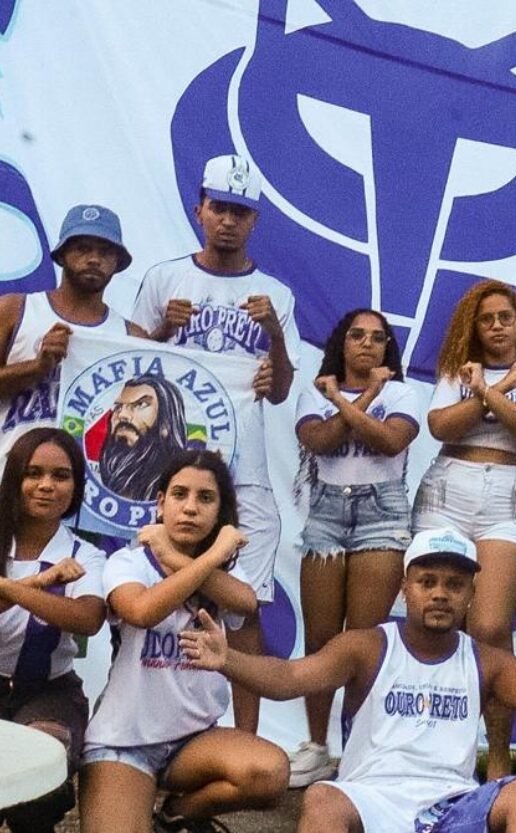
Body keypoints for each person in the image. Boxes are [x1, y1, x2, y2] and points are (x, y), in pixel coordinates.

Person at [177, 527, 516, 833]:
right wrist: (229, 660)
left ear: (471, 595)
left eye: (454, 584)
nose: (439, 593)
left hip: (453, 805)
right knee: (321, 799)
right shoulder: (367, 646)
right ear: (404, 588)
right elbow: (291, 677)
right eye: (427, 581)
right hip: (372, 798)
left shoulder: (484, 659)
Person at [130, 154, 300, 732]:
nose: (228, 220)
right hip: (169, 466)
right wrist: (163, 331)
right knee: (149, 589)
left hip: (243, 467)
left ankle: (246, 736)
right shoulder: (165, 279)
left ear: (255, 220)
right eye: (219, 208)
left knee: (244, 606)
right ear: (199, 209)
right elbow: (129, 377)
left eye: (240, 212)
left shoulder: (275, 294)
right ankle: (142, 723)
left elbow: (280, 391)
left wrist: (274, 336)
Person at [78, 451, 288, 833]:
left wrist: (174, 556)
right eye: (179, 494)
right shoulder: (129, 562)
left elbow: (246, 602)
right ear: (160, 503)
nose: (190, 508)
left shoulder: (230, 574)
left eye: (205, 498)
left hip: (194, 741)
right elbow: (141, 611)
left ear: (220, 512)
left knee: (269, 773)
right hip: (123, 743)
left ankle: (178, 814)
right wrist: (210, 556)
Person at [413, 280, 516, 779]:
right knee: (438, 620)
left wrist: (492, 391)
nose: (496, 326)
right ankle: (439, 751)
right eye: (486, 319)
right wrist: (490, 390)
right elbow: (441, 426)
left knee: (492, 627)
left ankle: (498, 754)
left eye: (505, 318)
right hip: (448, 490)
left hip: (507, 496)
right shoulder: (458, 372)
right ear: (473, 327)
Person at [288, 308, 420, 788]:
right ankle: (316, 746)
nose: (366, 344)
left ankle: (356, 748)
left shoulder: (402, 393)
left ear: (388, 348)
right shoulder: (315, 391)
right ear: (341, 343)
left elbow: (389, 441)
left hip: (382, 514)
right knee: (322, 639)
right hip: (326, 514)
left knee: (364, 640)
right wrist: (362, 396)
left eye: (377, 338)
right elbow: (319, 441)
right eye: (357, 335)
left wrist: (345, 401)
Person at [0, 428, 107, 833]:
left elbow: (87, 619)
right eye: (33, 473)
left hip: (49, 692)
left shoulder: (85, 554)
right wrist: (41, 583)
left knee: (41, 770)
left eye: (61, 476)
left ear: (76, 486)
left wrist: (11, 588)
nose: (46, 485)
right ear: (14, 478)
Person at [0, 204, 144, 460]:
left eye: (105, 252)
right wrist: (36, 367)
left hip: (90, 479)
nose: (94, 259)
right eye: (82, 248)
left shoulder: (132, 337)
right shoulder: (15, 308)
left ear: (117, 263)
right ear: (61, 255)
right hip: (11, 471)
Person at [100, 374, 190, 501]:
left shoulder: (183, 478)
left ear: (166, 422)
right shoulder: (108, 477)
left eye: (141, 404)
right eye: (118, 407)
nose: (122, 415)